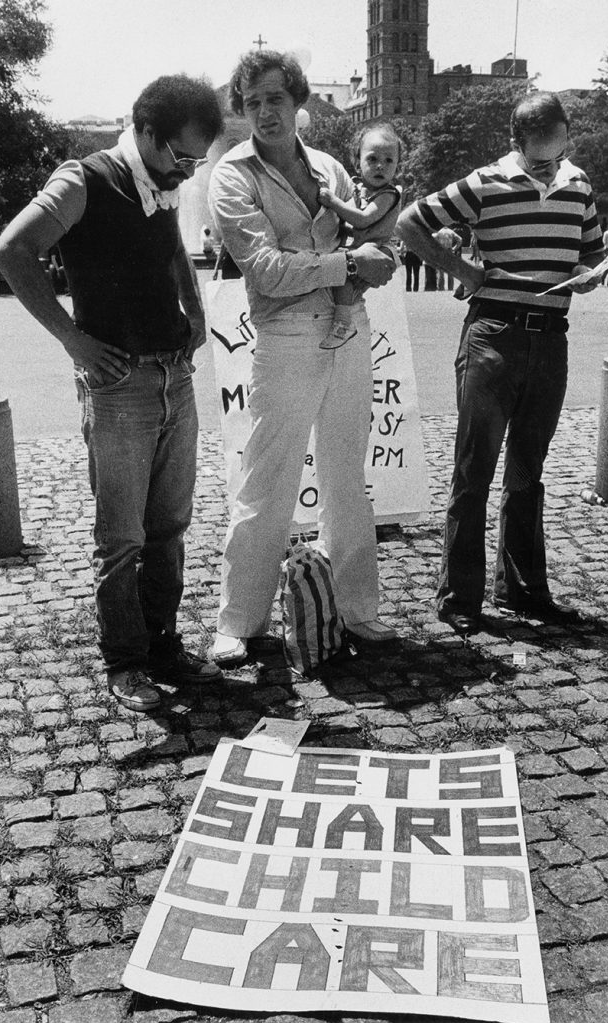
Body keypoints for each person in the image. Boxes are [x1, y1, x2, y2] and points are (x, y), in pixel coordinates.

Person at [0, 74, 225, 712]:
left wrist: (195, 311)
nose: (188, 171)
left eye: (197, 161)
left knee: (170, 526)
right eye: (181, 156)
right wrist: (74, 341)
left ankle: (164, 644)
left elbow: (173, 246)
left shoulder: (164, 182)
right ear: (144, 132)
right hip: (119, 385)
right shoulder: (84, 179)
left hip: (174, 371)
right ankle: (125, 661)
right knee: (121, 536)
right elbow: (12, 251)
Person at [208, 49, 398, 666]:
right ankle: (240, 619)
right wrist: (349, 265)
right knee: (269, 480)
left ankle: (357, 610)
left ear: (299, 105)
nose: (265, 112)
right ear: (243, 109)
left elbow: (366, 243)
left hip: (348, 330)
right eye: (254, 101)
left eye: (276, 99)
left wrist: (379, 259)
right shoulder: (232, 176)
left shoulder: (330, 169)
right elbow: (263, 270)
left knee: (347, 477)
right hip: (286, 338)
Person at [397, 91, 604, 636]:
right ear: (516, 144)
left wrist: (591, 273)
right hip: (492, 337)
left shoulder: (579, 185)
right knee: (474, 472)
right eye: (538, 158)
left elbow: (590, 253)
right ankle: (459, 599)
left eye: (556, 154)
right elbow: (410, 223)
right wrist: (461, 271)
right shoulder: (485, 182)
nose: (549, 165)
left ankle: (524, 590)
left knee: (528, 473)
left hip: (551, 340)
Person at [317, 123, 402, 346]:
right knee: (342, 277)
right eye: (372, 159)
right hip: (360, 248)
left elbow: (362, 219)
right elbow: (345, 221)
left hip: (376, 251)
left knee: (343, 274)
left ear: (396, 168)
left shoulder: (388, 195)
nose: (380, 166)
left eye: (389, 161)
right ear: (357, 163)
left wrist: (333, 202)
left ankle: (344, 322)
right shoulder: (359, 190)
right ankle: (346, 321)